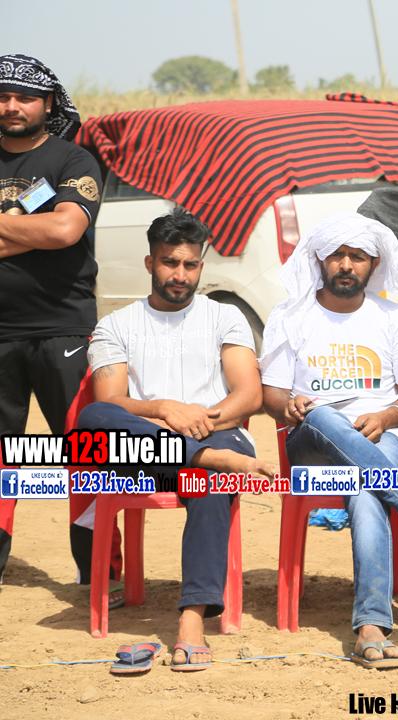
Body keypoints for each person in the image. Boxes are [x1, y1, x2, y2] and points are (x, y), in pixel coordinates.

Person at [79, 207, 277, 671]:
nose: (180, 274)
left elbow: (249, 395)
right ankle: (208, 458)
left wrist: (197, 422)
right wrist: (164, 409)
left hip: (218, 434)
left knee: (205, 479)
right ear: (151, 263)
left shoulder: (224, 316)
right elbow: (110, 402)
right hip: (145, 449)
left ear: (201, 265)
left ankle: (191, 621)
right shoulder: (116, 325)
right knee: (92, 416)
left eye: (190, 264)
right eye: (170, 262)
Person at [260, 211, 398, 670]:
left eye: (358, 256)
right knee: (326, 415)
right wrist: (290, 405)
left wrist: (388, 415)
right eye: (337, 255)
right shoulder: (290, 316)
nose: (346, 264)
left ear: (374, 264)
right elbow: (270, 395)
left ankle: (370, 626)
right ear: (319, 259)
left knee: (367, 487)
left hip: (381, 437)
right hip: (311, 443)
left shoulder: (392, 318)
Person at [0, 54, 102, 588]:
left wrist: (36, 228)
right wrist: (30, 229)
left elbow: (65, 230)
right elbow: (49, 228)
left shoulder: (73, 160)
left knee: (86, 455)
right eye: (2, 96)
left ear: (48, 103)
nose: (11, 106)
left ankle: (99, 570)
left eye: (24, 97)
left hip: (64, 329)